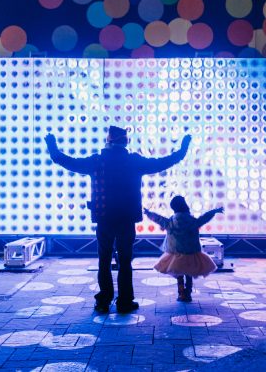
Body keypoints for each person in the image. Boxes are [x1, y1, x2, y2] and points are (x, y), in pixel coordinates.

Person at [45, 126, 192, 314]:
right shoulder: (133, 162)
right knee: (125, 261)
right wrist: (183, 149)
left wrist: (52, 145)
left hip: (104, 217)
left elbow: (65, 161)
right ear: (126, 142)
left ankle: (103, 301)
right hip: (126, 218)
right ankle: (124, 302)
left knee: (104, 260)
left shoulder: (98, 161)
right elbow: (163, 162)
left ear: (108, 141)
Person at [143, 196, 224, 302]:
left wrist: (149, 213)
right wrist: (214, 211)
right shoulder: (192, 221)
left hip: (175, 253)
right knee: (189, 272)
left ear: (174, 208)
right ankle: (188, 292)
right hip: (191, 251)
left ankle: (181, 294)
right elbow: (204, 218)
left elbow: (158, 219)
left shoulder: (170, 222)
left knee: (179, 273)